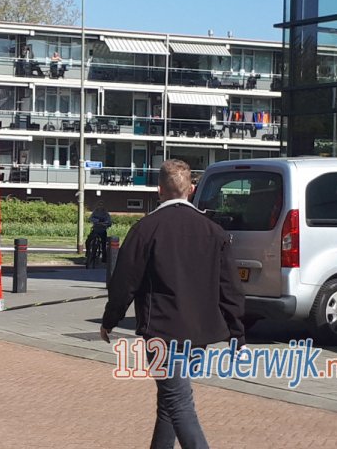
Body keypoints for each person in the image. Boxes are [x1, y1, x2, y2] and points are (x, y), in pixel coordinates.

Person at [100, 159, 244, 449]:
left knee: (178, 403)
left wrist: (110, 319)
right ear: (191, 189)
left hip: (163, 332)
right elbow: (229, 286)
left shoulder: (146, 229)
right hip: (199, 334)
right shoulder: (213, 232)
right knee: (171, 401)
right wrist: (236, 331)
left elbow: (125, 282)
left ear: (159, 190)